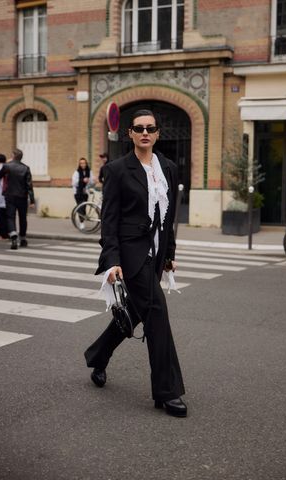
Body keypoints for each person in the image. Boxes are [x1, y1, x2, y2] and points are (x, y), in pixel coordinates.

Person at [84, 109, 187, 418]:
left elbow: (167, 218)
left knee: (136, 311)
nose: (145, 132)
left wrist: (168, 254)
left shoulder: (167, 167)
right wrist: (111, 260)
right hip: (131, 254)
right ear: (129, 133)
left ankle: (98, 356)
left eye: (151, 128)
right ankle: (167, 392)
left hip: (155, 255)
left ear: (157, 133)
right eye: (139, 128)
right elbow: (110, 219)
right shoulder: (117, 169)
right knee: (156, 314)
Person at [0, 148, 35, 249]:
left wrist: (6, 166)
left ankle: (13, 236)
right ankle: (23, 239)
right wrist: (32, 200)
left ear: (13, 156)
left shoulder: (7, 166)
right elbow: (29, 185)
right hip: (22, 196)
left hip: (10, 196)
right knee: (23, 218)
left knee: (10, 217)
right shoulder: (26, 168)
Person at [72, 157, 95, 230]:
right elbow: (74, 183)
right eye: (81, 163)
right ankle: (81, 222)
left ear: (86, 163)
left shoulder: (89, 171)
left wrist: (90, 181)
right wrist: (82, 180)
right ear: (79, 164)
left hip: (85, 192)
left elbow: (92, 183)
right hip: (78, 192)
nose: (83, 164)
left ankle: (82, 220)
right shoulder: (77, 172)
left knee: (84, 207)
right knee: (80, 208)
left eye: (84, 163)